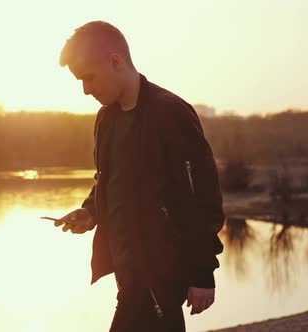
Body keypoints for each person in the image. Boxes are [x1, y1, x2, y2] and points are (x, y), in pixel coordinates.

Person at [53, 21, 225, 331]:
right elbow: (107, 180)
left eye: (89, 78)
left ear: (115, 61)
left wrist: (202, 274)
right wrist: (90, 212)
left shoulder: (170, 112)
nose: (85, 89)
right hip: (128, 277)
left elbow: (202, 198)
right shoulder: (106, 119)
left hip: (159, 279)